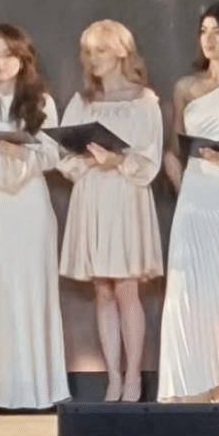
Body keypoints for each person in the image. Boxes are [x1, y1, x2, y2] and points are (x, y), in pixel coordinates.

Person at [0, 24, 69, 410]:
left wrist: (21, 156)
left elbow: (53, 154)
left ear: (23, 58)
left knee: (34, 292)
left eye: (7, 54)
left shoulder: (42, 103)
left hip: (31, 205)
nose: (0, 62)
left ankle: (40, 390)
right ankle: (2, 391)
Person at [58, 20, 163, 403]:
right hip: (92, 195)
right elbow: (63, 154)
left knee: (126, 287)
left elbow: (149, 159)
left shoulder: (144, 101)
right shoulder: (82, 102)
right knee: (102, 289)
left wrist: (117, 161)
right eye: (88, 52)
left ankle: (133, 377)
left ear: (121, 51)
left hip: (124, 195)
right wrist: (89, 161)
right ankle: (113, 379)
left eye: (100, 50)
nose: (93, 58)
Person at [158, 2, 219, 403]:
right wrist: (183, 187)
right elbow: (173, 149)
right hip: (194, 199)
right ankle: (189, 390)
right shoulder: (186, 87)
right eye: (204, 31)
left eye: (218, 31)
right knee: (188, 292)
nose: (209, 39)